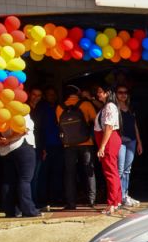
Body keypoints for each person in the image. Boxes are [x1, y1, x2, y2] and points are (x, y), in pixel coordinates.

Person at [56, 85, 97, 210]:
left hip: (68, 144)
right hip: (86, 143)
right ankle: (91, 200)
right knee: (89, 171)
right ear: (77, 93)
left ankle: (71, 203)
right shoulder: (86, 104)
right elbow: (95, 120)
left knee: (69, 173)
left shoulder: (59, 107)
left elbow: (59, 123)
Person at [0, 113, 41, 218]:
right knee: (25, 179)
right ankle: (28, 210)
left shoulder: (1, 113)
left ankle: (10, 210)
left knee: (8, 180)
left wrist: (1, 139)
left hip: (6, 150)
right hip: (22, 146)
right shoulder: (21, 112)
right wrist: (9, 140)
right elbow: (24, 130)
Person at [94, 85, 123, 215]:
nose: (98, 94)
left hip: (109, 140)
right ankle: (116, 201)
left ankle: (112, 203)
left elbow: (109, 127)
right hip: (108, 139)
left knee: (110, 173)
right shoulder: (106, 106)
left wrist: (102, 146)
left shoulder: (110, 106)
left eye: (100, 92)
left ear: (107, 93)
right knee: (113, 172)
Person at [115, 85, 143, 207]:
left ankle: (125, 196)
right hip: (120, 141)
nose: (123, 94)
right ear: (116, 94)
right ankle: (118, 197)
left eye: (125, 92)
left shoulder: (131, 108)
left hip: (131, 140)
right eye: (120, 92)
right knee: (120, 170)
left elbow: (135, 125)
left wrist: (139, 141)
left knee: (127, 170)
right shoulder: (114, 108)